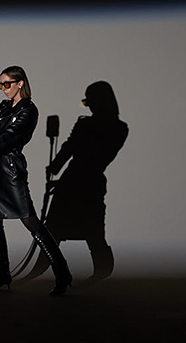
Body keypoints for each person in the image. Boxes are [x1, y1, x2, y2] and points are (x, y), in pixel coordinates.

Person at [0, 66, 72, 296]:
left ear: (20, 83)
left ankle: (62, 273)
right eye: (0, 84)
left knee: (30, 221)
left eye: (7, 84)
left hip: (11, 170)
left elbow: (8, 138)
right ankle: (2, 275)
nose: (3, 89)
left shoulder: (29, 111)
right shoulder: (4, 106)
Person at [42, 81, 128, 279]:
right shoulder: (119, 128)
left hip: (75, 183)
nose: (89, 107)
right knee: (90, 232)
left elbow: (70, 148)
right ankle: (98, 270)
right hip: (89, 183)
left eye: (89, 102)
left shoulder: (87, 125)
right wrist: (56, 169)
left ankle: (51, 270)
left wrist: (54, 168)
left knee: (56, 229)